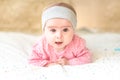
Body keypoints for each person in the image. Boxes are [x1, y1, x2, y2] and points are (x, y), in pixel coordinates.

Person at [29, 2, 92, 67]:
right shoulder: (41, 46)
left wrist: (69, 62)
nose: (59, 36)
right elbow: (33, 60)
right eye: (53, 30)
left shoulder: (77, 44)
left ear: (73, 30)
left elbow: (87, 58)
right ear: (44, 31)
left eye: (65, 30)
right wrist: (47, 64)